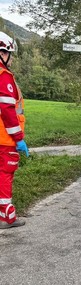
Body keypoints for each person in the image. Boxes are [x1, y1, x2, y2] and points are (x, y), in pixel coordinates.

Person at [0, 31, 29, 229]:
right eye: (9, 54)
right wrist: (18, 138)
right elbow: (8, 110)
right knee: (5, 173)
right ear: (2, 53)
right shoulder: (3, 77)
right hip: (5, 138)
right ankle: (6, 216)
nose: (11, 60)